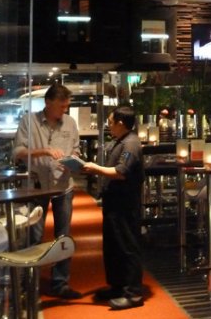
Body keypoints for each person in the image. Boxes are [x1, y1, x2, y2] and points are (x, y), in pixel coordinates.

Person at [13, 84, 82, 299]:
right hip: (37, 186)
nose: (65, 110)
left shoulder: (70, 123)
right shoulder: (29, 121)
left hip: (63, 185)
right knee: (33, 235)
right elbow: (18, 151)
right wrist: (43, 151)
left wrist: (73, 160)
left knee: (63, 236)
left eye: (66, 106)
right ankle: (27, 284)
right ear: (48, 103)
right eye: (61, 106)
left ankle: (60, 283)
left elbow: (76, 150)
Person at [83, 106, 145, 310]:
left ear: (120, 123)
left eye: (110, 122)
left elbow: (121, 172)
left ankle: (133, 293)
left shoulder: (131, 143)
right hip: (114, 201)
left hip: (125, 203)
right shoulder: (121, 141)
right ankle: (118, 286)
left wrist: (96, 169)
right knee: (113, 245)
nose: (108, 125)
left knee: (127, 246)